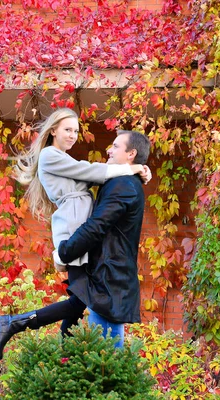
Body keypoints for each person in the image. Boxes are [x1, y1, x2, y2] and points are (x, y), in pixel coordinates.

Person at [0, 109, 150, 360]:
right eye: (68, 129)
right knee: (79, 299)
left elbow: (91, 173)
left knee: (78, 302)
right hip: (74, 228)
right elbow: (91, 171)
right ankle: (16, 325)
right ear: (53, 130)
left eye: (76, 131)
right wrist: (135, 168)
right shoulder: (49, 155)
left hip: (79, 226)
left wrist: (138, 170)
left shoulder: (63, 160)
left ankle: (50, 349)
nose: (73, 135)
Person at [55, 130, 151, 347]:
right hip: (107, 277)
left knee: (107, 361)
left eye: (116, 146)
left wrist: (65, 251)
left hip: (109, 280)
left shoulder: (124, 185)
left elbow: (96, 226)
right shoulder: (123, 181)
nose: (109, 149)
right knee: (92, 345)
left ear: (131, 153)